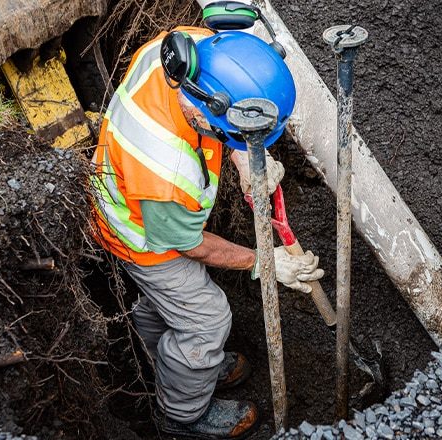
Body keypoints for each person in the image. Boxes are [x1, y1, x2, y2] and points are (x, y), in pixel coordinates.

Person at [89, 25, 324, 439]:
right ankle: (182, 415)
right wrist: (264, 262)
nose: (235, 140)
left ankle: (176, 361)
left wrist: (247, 156)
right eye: (232, 131)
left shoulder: (193, 51)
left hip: (138, 193)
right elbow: (187, 243)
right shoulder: (165, 168)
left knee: (175, 309)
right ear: (206, 112)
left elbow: (223, 101)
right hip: (140, 234)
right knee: (207, 319)